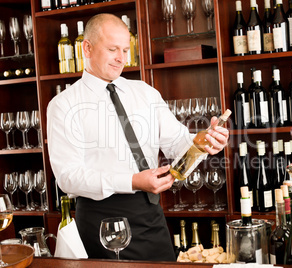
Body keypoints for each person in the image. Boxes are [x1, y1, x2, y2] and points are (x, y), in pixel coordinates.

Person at [47, 13, 229, 261]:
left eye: (125, 49)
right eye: (112, 49)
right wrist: (132, 181)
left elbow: (177, 144)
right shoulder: (63, 105)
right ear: (87, 48)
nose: (121, 58)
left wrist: (202, 143)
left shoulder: (145, 93)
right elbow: (68, 178)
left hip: (152, 217)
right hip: (101, 224)